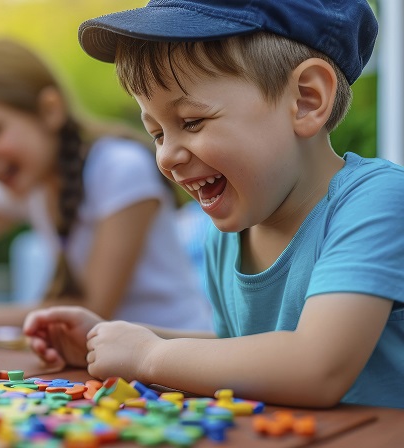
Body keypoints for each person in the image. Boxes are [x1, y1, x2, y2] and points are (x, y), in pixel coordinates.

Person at [24, 0, 404, 409]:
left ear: (307, 99)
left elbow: (316, 367)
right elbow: (242, 353)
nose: (166, 156)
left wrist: (150, 355)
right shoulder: (230, 232)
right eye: (156, 133)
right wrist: (114, 340)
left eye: (191, 122)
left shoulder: (375, 200)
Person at [0, 38, 213, 333]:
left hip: (176, 365)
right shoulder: (25, 184)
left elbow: (87, 312)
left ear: (49, 110)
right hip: (97, 370)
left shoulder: (120, 168)